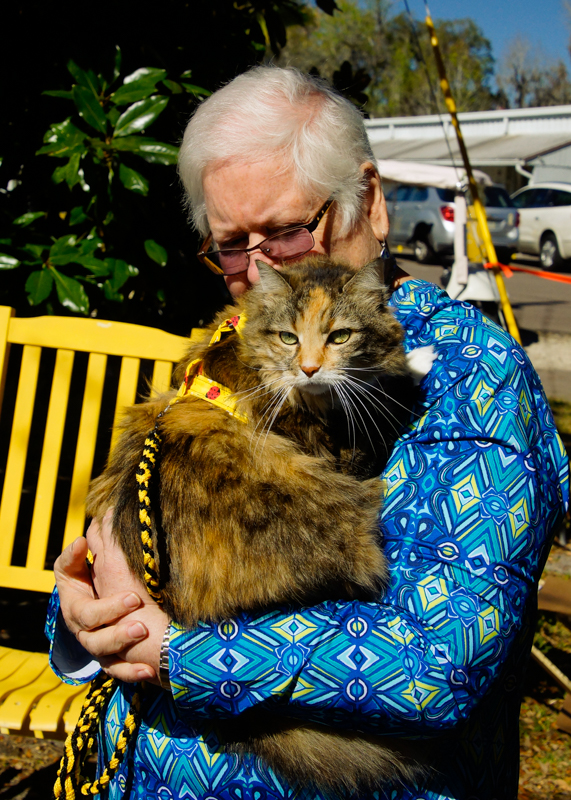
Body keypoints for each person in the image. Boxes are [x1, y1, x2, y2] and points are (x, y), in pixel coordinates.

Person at [47, 66, 569, 800]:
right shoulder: (240, 339)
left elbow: (437, 665)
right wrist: (83, 615)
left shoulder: (470, 377)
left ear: (370, 203)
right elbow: (145, 538)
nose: (259, 271)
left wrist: (176, 655)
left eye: (287, 231)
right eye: (232, 244)